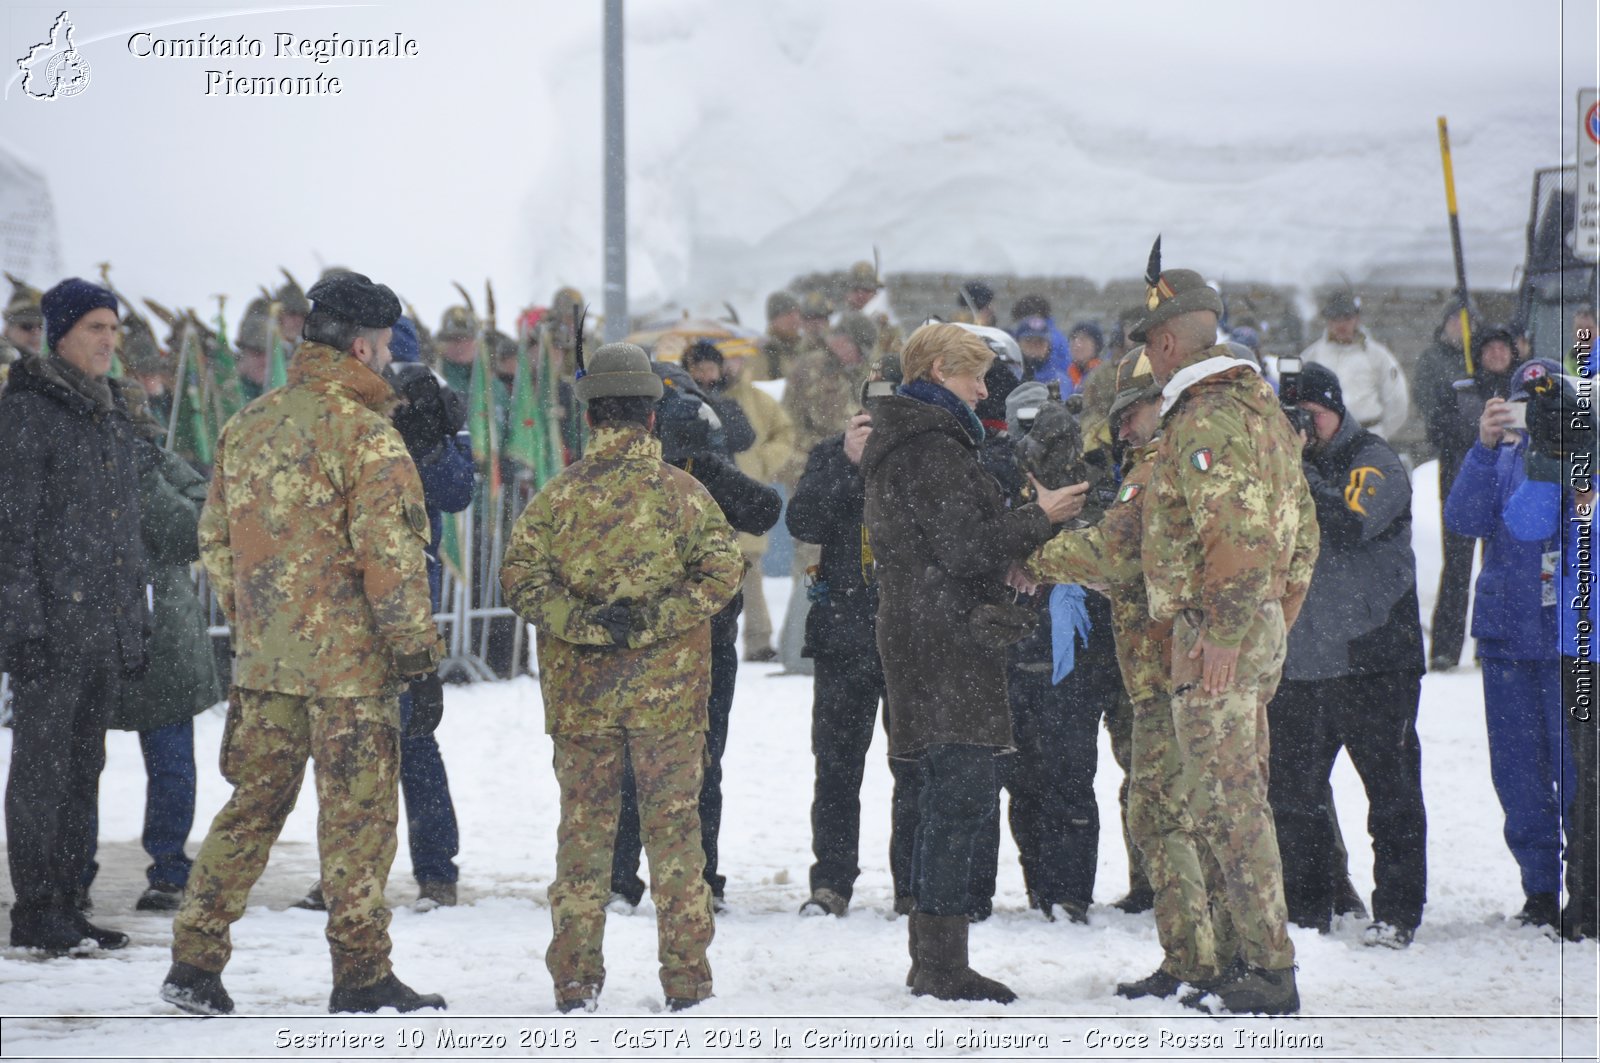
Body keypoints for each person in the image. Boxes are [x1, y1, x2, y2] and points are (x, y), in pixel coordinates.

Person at [162, 271, 447, 1017]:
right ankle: (360, 975)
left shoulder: (247, 424)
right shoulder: (368, 436)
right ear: (362, 344)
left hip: (266, 669)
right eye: (383, 346)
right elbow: (392, 566)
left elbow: (215, 540)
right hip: (350, 676)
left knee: (250, 810)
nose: (388, 359)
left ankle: (194, 960)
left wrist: (264, 621)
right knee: (357, 823)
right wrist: (419, 661)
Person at [500, 342, 743, 1014]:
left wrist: (584, 621)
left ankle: (576, 979)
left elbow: (519, 579)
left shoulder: (557, 499)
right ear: (652, 417)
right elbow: (723, 574)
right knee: (676, 839)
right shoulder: (687, 496)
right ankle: (687, 978)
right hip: (669, 700)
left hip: (583, 699)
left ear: (590, 417)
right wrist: (655, 616)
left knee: (584, 837)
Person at [860, 322, 1086, 1003]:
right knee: (958, 798)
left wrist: (1004, 555)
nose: (986, 389)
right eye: (974, 375)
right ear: (935, 367)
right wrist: (1039, 517)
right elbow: (964, 546)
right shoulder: (931, 443)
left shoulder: (918, 437)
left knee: (946, 798)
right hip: (945, 645)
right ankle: (940, 963)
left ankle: (935, 953)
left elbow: (952, 545)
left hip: (928, 635)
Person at [1131, 253, 1318, 1015]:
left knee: (1229, 805)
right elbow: (1302, 536)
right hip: (1248, 629)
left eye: (1148, 341)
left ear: (1170, 344)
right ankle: (1245, 957)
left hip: (1218, 634)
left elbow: (1235, 538)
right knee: (1236, 798)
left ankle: (1268, 968)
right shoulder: (1261, 413)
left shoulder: (1206, 418)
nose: (1145, 355)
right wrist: (1272, 621)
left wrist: (1225, 635)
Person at [1022, 350, 1231, 998]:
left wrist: (1033, 549)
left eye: (1130, 414)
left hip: (1174, 668)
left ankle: (1206, 955)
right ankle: (1198, 953)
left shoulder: (1161, 470)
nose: (1122, 428)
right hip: (1168, 665)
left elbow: (1113, 548)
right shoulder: (1180, 464)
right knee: (1172, 811)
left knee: (1171, 814)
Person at [290, 316, 476, 915]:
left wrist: (426, 438)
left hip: (408, 588)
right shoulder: (335, 406)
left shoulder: (431, 401)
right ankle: (344, 872)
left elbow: (456, 490)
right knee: (342, 742)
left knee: (414, 732)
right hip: (337, 594)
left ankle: (435, 870)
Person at [0, 278, 147, 953]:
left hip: (100, 626)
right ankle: (36, 908)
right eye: (95, 329)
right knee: (41, 770)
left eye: (113, 330)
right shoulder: (29, 411)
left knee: (84, 766)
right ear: (60, 334)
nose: (109, 342)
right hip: (51, 628)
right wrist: (21, 625)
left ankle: (69, 898)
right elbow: (13, 530)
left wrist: (131, 623)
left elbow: (123, 532)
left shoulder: (110, 412)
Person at [608, 358, 780, 913]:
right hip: (673, 635)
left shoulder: (687, 466)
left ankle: (649, 877)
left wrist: (702, 463)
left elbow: (762, 508)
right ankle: (667, 876)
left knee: (666, 759)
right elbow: (763, 508)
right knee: (683, 759)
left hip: (673, 635)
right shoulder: (638, 471)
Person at [1266, 363, 1427, 948]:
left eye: (1310, 414)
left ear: (1335, 408)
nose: (1302, 427)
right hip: (1304, 660)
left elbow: (1350, 521)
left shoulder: (1375, 459)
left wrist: (1295, 466)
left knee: (1391, 793)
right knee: (1294, 796)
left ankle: (1398, 913)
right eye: (1292, 417)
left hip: (1376, 658)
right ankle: (1308, 912)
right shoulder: (1283, 471)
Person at [788, 357, 925, 918]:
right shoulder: (830, 453)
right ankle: (831, 881)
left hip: (912, 632)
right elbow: (803, 524)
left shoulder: (928, 454)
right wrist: (848, 465)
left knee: (914, 766)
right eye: (874, 404)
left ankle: (912, 884)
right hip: (844, 633)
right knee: (837, 765)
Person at [1444, 358, 1573, 930]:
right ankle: (1540, 890)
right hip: (1506, 643)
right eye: (1522, 402)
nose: (1530, 415)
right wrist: (1482, 447)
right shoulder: (1499, 459)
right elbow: (1464, 519)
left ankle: (1587, 887)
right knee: (1518, 777)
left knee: (1576, 775)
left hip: (1568, 645)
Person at [83, 387, 221, 914]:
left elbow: (192, 534)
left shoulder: (155, 463)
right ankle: (72, 872)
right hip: (88, 632)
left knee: (171, 765)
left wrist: (142, 476)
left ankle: (169, 868)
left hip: (161, 637)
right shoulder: (65, 463)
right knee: (79, 764)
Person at [1501, 361, 1598, 941]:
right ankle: (1586, 903)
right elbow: (1527, 524)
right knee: (1589, 779)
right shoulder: (1564, 450)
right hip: (1581, 644)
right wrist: (1549, 457)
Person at [1412, 300, 1476, 671]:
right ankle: (1445, 646)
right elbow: (1428, 402)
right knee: (1457, 560)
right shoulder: (1434, 360)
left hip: (1489, 461)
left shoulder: (1480, 358)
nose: (1460, 328)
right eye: (1455, 321)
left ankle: (1489, 642)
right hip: (1454, 461)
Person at [719, 347, 794, 663]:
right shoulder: (701, 396)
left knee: (749, 567)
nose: (732, 365)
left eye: (737, 358)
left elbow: (784, 433)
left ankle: (758, 640)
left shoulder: (756, 400)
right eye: (726, 358)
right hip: (713, 496)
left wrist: (764, 462)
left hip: (746, 495)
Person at [1295, 290, 1408, 439]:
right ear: (1328, 320)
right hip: (1325, 440)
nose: (1341, 324)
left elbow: (1397, 398)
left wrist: (1380, 433)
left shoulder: (1378, 355)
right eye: (1336, 318)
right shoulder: (1312, 356)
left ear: (1357, 319)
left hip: (1367, 435)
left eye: (1347, 318)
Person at [759, 291, 806, 381]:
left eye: (797, 313)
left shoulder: (806, 346)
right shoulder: (764, 351)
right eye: (788, 314)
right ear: (774, 320)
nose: (795, 319)